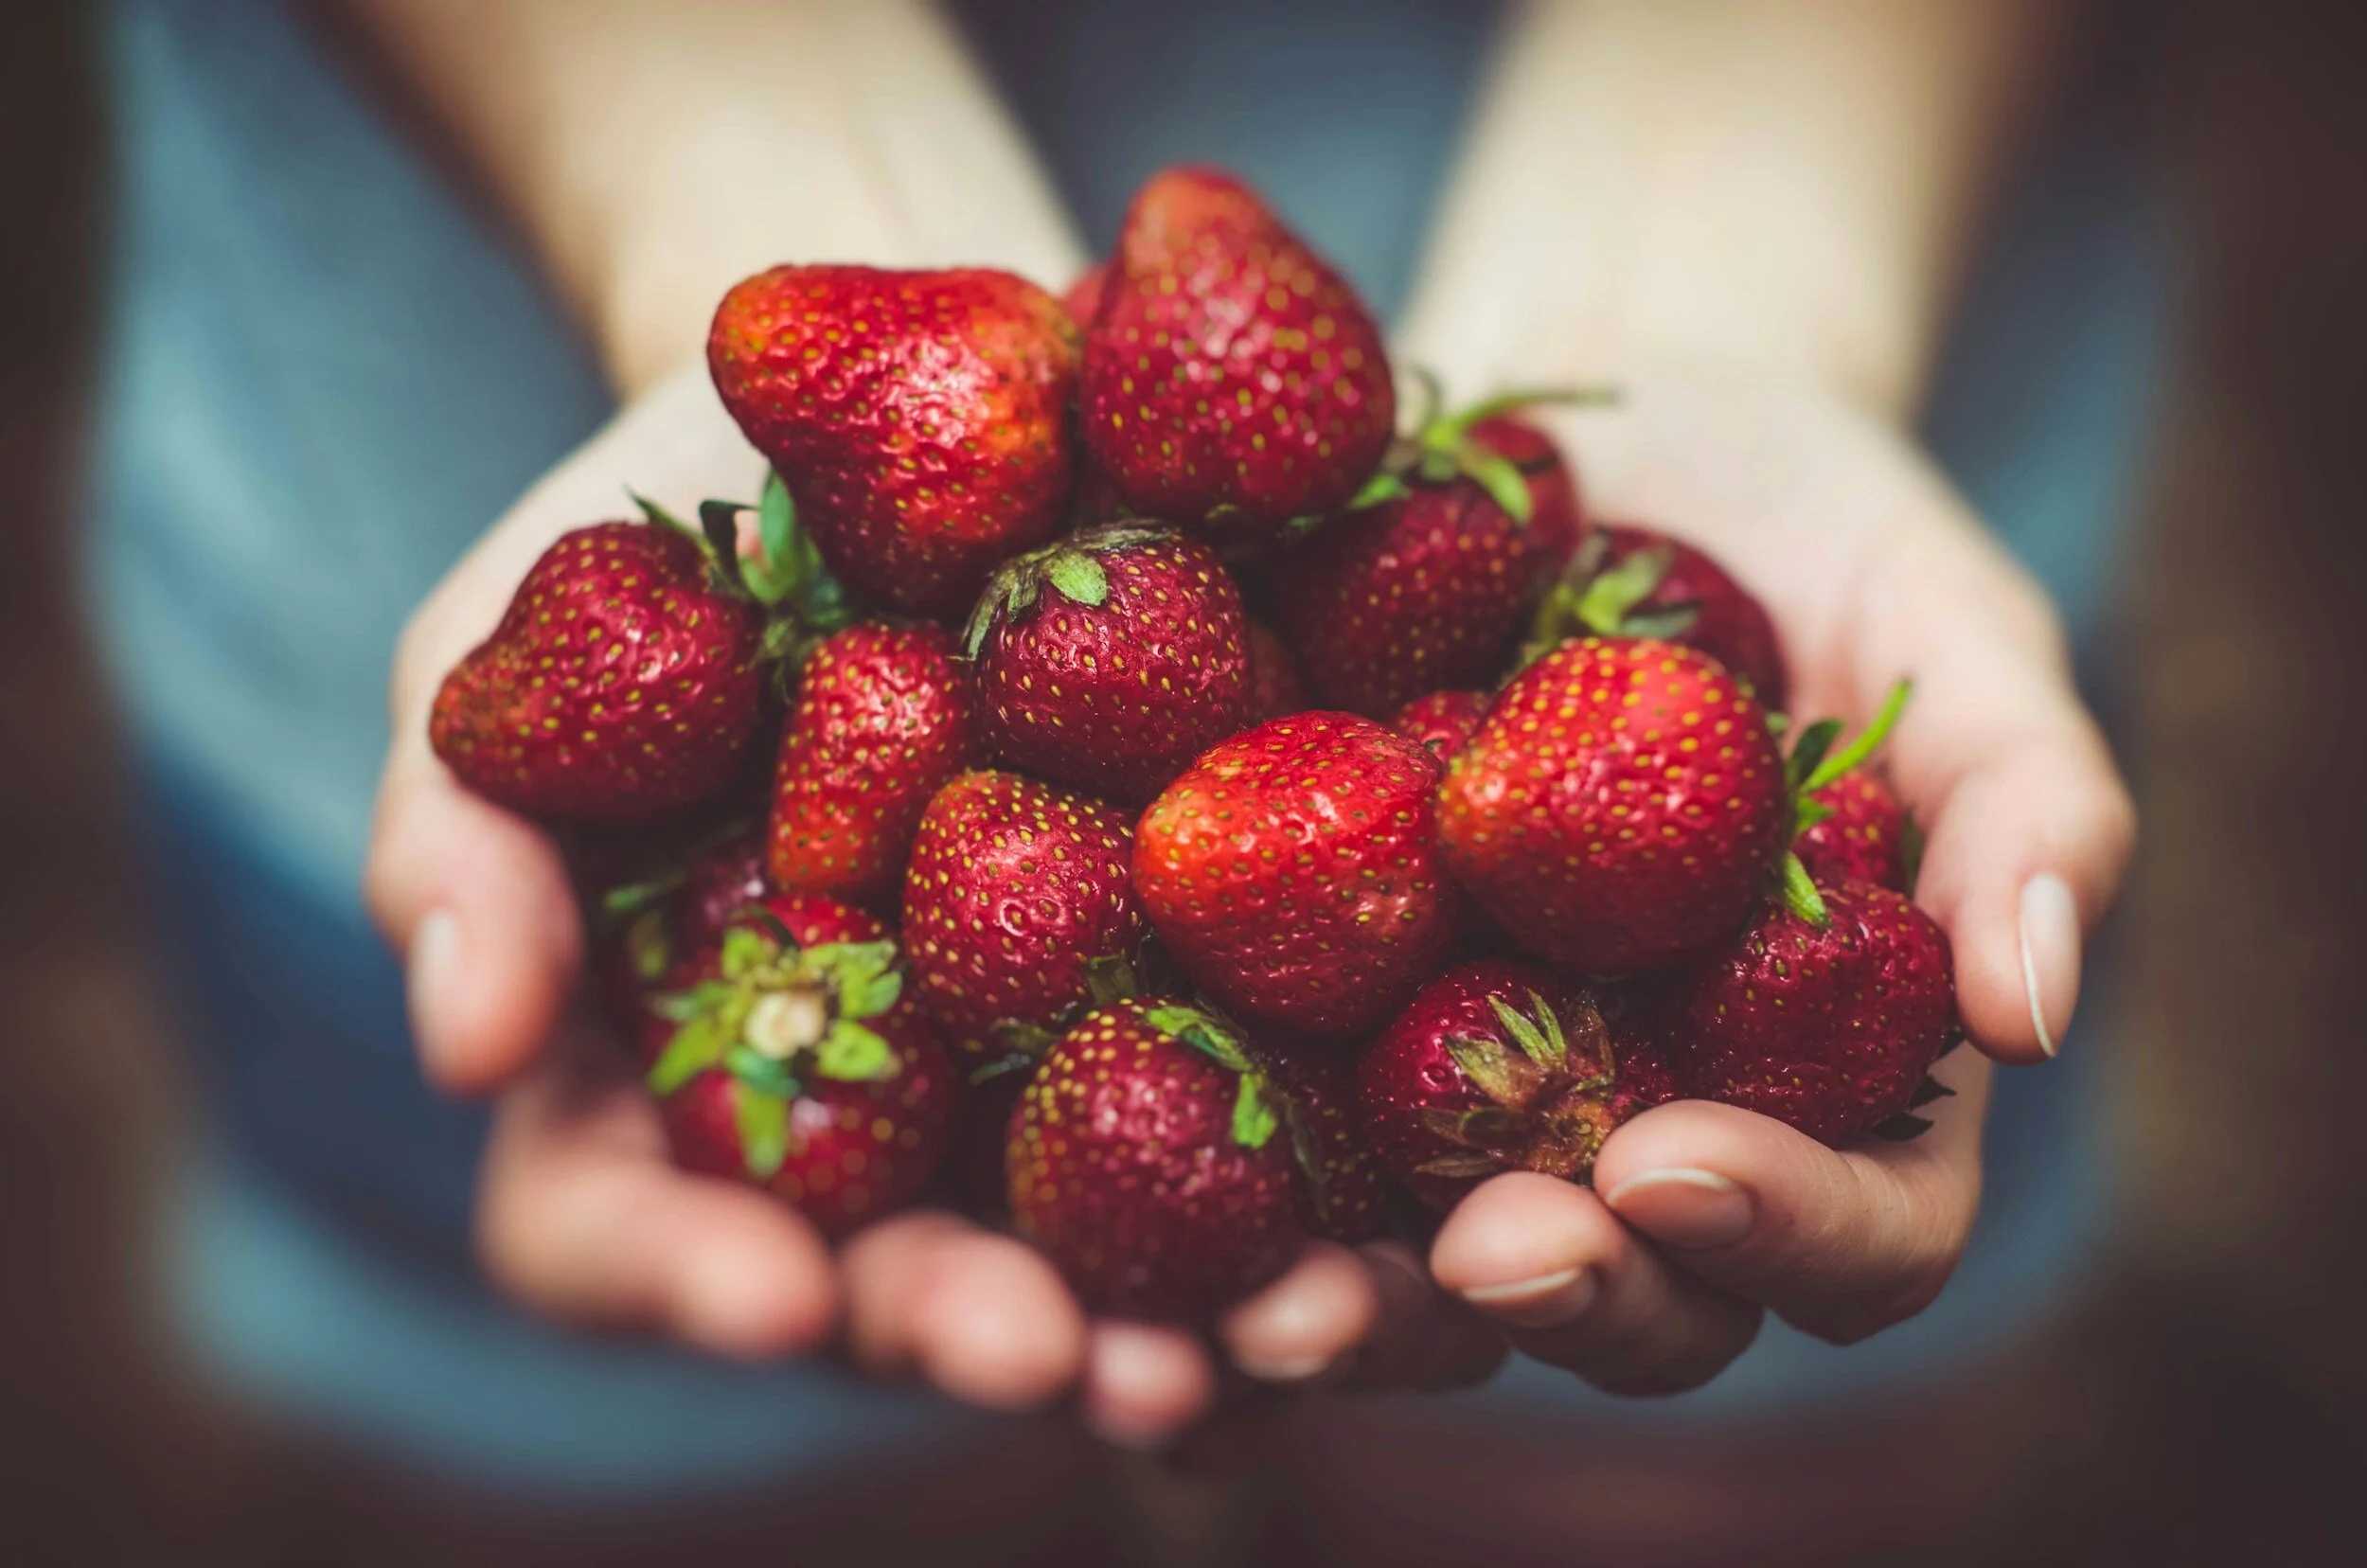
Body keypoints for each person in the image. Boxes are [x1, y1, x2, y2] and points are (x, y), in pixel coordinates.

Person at [92, 0, 2139, 1501]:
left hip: (1865, 229)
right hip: (421, 408)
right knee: (658, 1491)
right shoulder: (1054, 728)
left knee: (1673, 1490)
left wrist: (1725, 292)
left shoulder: (1441, 751)